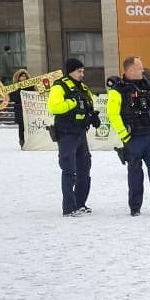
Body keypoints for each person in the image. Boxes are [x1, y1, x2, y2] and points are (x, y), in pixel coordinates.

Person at [106, 55, 150, 217]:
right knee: (135, 174)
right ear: (130, 70)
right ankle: (135, 208)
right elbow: (112, 114)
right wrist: (125, 136)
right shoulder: (118, 90)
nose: (143, 70)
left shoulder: (148, 85)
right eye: (140, 68)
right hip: (133, 138)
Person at [47, 57, 100, 216]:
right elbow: (54, 107)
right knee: (69, 170)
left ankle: (80, 203)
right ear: (70, 71)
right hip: (67, 134)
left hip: (80, 133)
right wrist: (72, 103)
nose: (82, 74)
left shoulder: (82, 87)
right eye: (79, 71)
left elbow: (89, 103)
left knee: (84, 168)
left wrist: (92, 116)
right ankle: (68, 207)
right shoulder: (60, 87)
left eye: (83, 71)